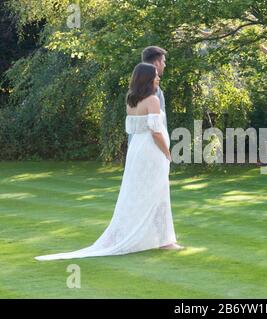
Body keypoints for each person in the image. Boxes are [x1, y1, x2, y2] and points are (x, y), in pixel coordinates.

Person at [35, 63, 183, 261]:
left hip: (137, 149)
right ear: (147, 79)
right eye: (155, 76)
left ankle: (148, 236)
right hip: (151, 150)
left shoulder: (131, 100)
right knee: (158, 192)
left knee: (137, 193)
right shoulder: (152, 100)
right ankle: (165, 240)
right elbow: (156, 131)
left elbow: (132, 129)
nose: (159, 78)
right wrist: (168, 152)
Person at [128, 46, 167, 146]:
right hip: (150, 147)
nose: (164, 65)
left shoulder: (135, 89)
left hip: (135, 145)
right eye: (163, 61)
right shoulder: (153, 92)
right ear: (156, 63)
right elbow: (156, 128)